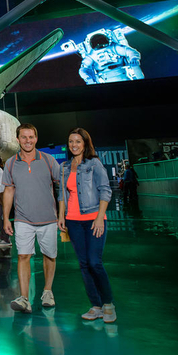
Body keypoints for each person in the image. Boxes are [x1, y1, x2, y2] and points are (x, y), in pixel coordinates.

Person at [57, 127, 116, 323]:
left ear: (85, 144)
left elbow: (105, 190)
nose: (73, 145)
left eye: (78, 141)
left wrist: (99, 217)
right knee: (83, 264)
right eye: (71, 141)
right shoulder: (64, 167)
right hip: (73, 221)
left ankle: (108, 304)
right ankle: (96, 306)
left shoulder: (94, 163)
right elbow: (62, 195)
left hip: (93, 219)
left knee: (94, 262)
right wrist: (61, 216)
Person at [2, 123, 61, 314]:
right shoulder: (11, 163)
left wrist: (62, 214)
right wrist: (6, 218)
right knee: (23, 256)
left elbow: (62, 186)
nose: (28, 141)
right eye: (24, 137)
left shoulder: (49, 160)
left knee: (49, 256)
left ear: (36, 138)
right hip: (22, 219)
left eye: (31, 137)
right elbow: (8, 191)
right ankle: (24, 298)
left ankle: (47, 292)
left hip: (48, 219)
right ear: (17, 139)